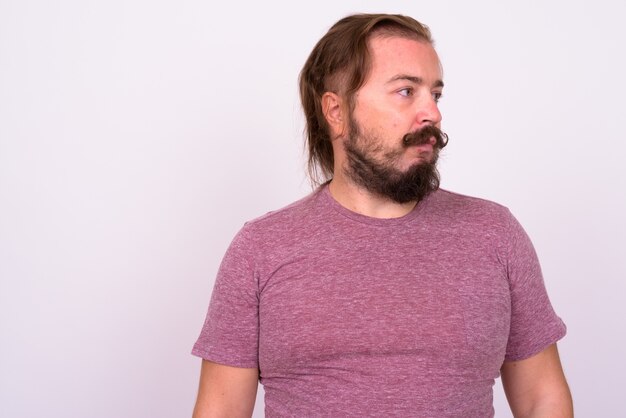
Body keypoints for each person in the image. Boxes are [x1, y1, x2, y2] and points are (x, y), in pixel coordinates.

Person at [191, 13, 573, 417]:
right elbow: (221, 409)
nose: (432, 114)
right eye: (406, 91)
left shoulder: (495, 235)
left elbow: (540, 398)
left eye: (435, 94)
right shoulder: (261, 249)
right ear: (335, 112)